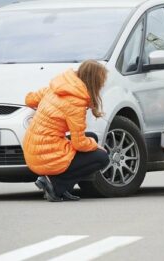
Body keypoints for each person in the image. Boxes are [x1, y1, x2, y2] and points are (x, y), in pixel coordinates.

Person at [22, 60, 110, 202]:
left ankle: (61, 186)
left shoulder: (58, 87)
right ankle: (56, 185)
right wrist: (95, 145)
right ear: (94, 81)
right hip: (45, 155)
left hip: (33, 147)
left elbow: (29, 99)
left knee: (91, 137)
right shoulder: (76, 102)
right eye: (101, 82)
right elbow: (79, 143)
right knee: (102, 157)